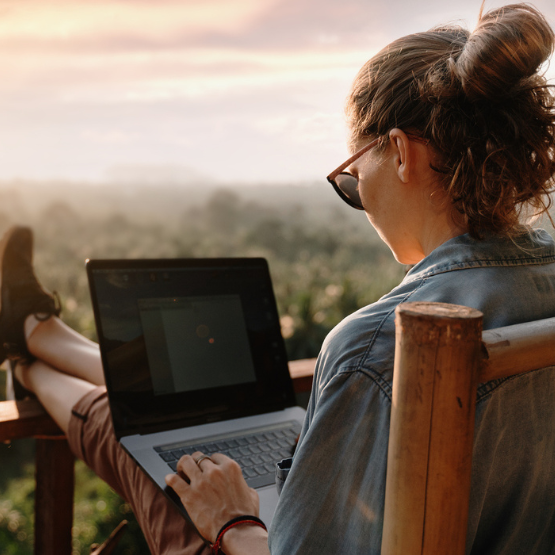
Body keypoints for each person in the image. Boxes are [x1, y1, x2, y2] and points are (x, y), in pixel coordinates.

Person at [4, 2, 555, 554]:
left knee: (136, 439)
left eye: (353, 178)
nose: (358, 197)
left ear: (401, 153)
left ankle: (29, 349)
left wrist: (233, 522)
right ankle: (36, 337)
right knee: (146, 412)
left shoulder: (379, 346)